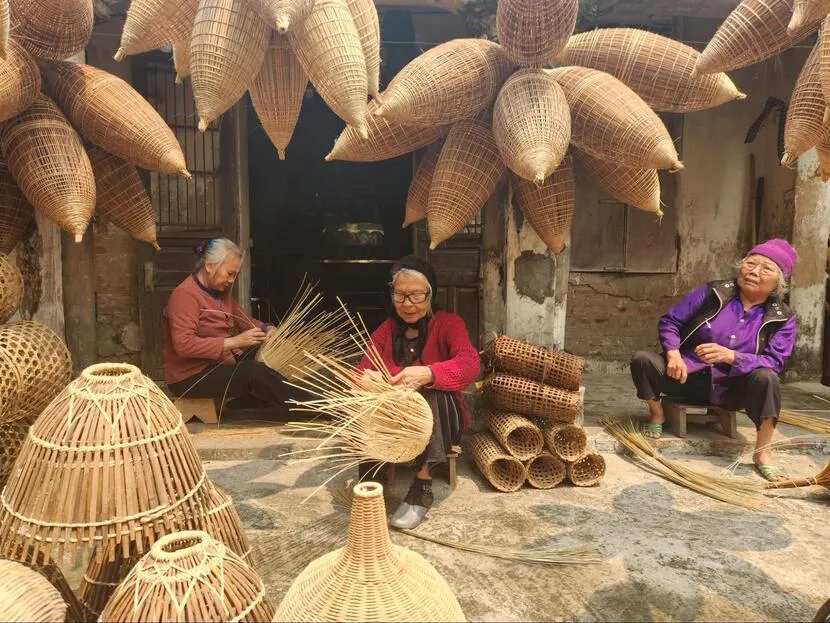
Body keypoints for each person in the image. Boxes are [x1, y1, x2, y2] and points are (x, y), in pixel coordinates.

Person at [630, 239, 798, 482]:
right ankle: (658, 415)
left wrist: (732, 357)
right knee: (643, 360)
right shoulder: (715, 292)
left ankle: (763, 452)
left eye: (766, 269)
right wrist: (673, 353)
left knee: (768, 378)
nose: (754, 271)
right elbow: (670, 321)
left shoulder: (783, 317)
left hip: (732, 389)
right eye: (750, 263)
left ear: (778, 283)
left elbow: (775, 361)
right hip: (685, 376)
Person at [356, 255, 480, 529]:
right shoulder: (386, 330)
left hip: (442, 420)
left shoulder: (449, 324)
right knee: (364, 402)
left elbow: (470, 364)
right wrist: (368, 380)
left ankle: (422, 485)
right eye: (400, 295)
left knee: (434, 392)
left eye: (416, 296)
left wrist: (430, 373)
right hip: (394, 421)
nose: (408, 304)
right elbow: (358, 371)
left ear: (430, 294)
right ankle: (370, 484)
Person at [162, 238, 292, 408]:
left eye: (235, 275)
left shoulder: (220, 294)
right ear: (209, 266)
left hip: (219, 365)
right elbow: (183, 345)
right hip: (191, 377)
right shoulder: (184, 295)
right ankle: (310, 407)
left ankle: (286, 402)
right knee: (253, 372)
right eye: (229, 273)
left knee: (266, 354)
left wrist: (267, 328)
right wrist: (235, 342)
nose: (232, 280)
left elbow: (245, 321)